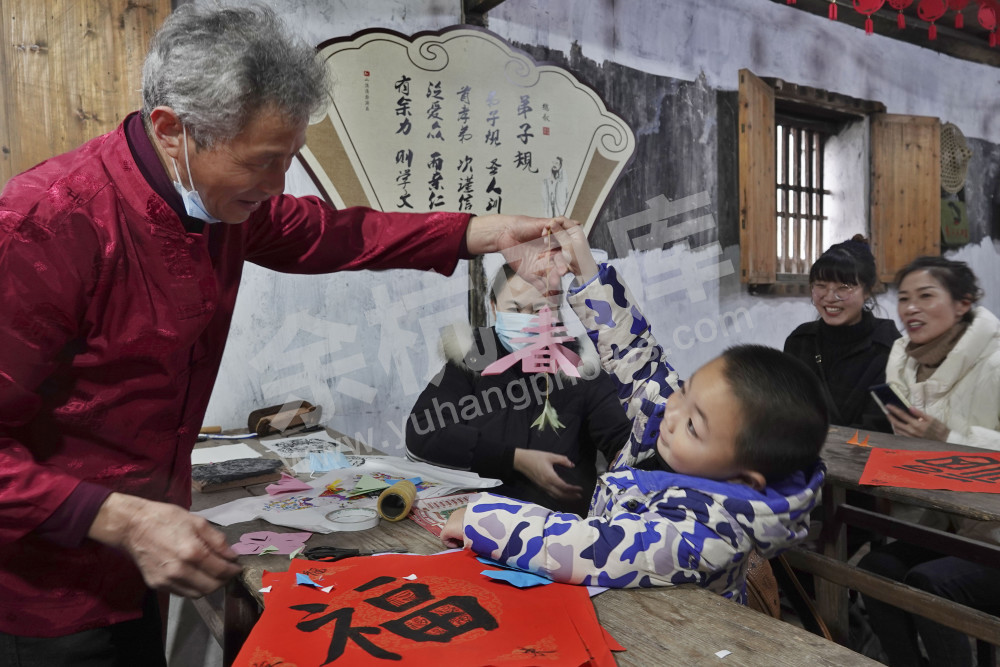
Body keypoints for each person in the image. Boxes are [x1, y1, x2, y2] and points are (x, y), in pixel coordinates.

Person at [0, 4, 573, 663]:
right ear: (172, 130)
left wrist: (484, 232)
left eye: (289, 161)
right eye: (263, 162)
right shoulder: (46, 225)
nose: (276, 187)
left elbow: (337, 234)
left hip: (146, 567)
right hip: (46, 593)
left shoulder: (220, 203)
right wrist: (119, 516)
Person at [440, 228, 828, 599]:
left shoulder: (705, 532)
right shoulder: (681, 430)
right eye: (686, 391)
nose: (672, 412)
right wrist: (587, 270)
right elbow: (640, 362)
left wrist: (484, 520)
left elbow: (589, 547)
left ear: (744, 479)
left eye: (693, 425)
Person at [858, 256, 1000, 667]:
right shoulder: (903, 357)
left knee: (931, 583)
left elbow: (946, 439)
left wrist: (949, 439)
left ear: (962, 304)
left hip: (992, 534)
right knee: (874, 568)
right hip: (943, 519)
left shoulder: (994, 362)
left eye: (926, 296)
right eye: (903, 298)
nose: (911, 309)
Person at [405, 263, 631, 516]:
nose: (526, 318)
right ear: (493, 307)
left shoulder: (580, 366)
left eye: (538, 309)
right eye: (514, 309)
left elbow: (625, 444)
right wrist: (514, 459)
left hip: (556, 531)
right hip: (477, 522)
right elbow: (422, 430)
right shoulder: (475, 356)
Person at [783, 236, 900, 432]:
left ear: (868, 291)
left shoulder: (889, 349)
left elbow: (881, 428)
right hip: (802, 456)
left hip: (863, 458)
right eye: (820, 285)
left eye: (843, 288)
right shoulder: (800, 341)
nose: (830, 298)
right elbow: (784, 409)